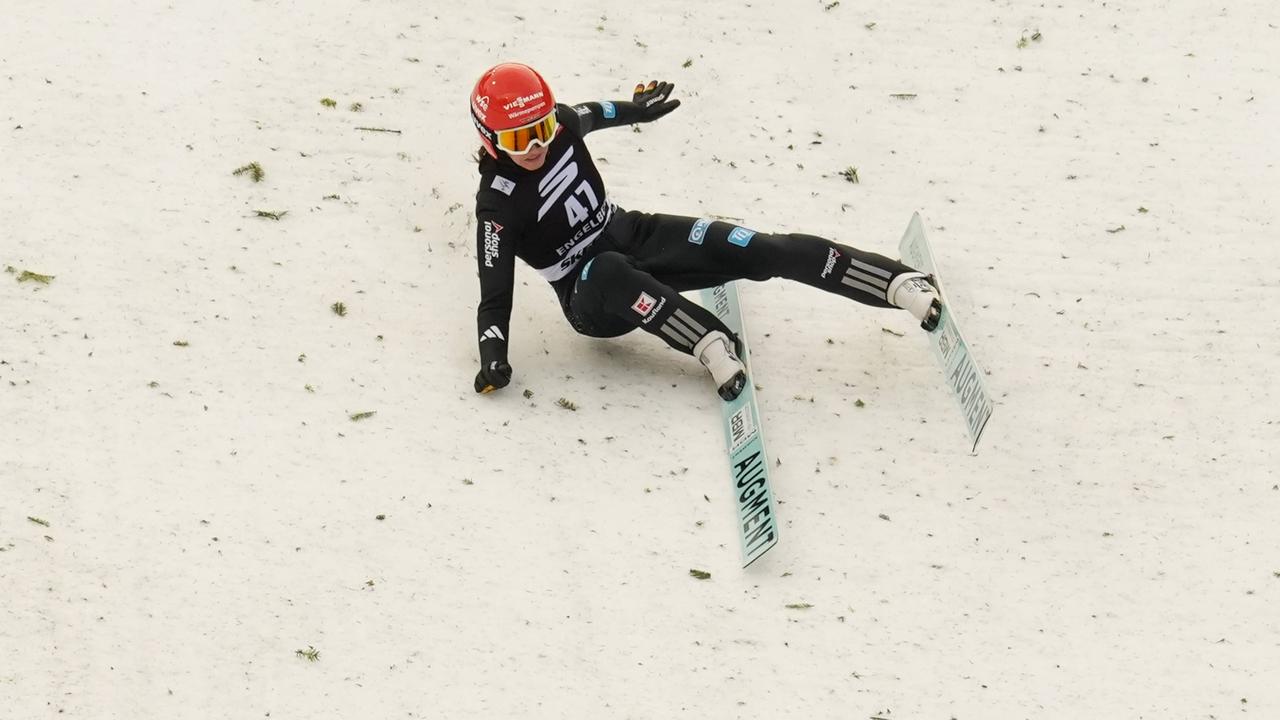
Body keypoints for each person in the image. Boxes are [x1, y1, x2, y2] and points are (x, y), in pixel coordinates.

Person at [469, 62, 941, 401]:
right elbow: (495, 297)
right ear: (490, 141)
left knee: (758, 248)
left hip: (633, 232)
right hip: (588, 294)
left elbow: (600, 113)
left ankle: (896, 283)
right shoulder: (496, 206)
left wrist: (639, 110)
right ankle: (711, 344)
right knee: (609, 269)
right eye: (518, 139)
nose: (536, 145)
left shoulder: (564, 124)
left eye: (543, 126)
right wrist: (493, 357)